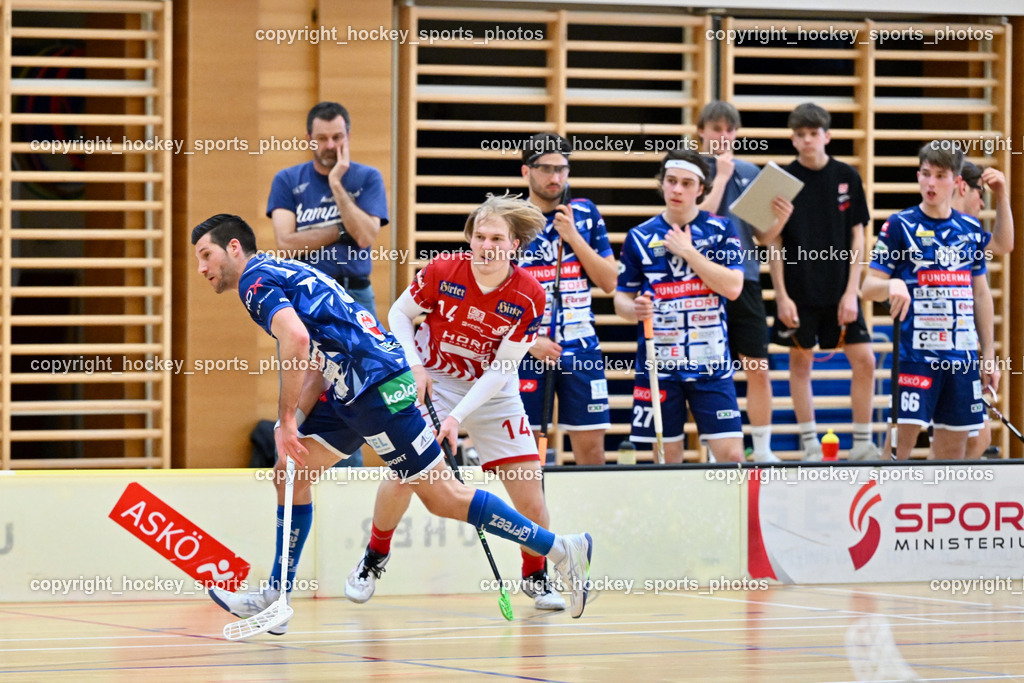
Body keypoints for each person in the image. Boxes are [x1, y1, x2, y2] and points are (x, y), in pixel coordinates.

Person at [192, 212, 594, 630]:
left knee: (444, 498)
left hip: (376, 390)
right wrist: (293, 420)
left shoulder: (253, 283)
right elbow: (317, 356)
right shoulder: (283, 269)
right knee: (290, 470)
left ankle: (562, 549)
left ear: (234, 248)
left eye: (207, 255)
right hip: (349, 387)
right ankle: (277, 595)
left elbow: (296, 340)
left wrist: (285, 419)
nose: (203, 268)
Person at [344, 193, 569, 612]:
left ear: (513, 245)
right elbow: (396, 314)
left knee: (531, 495)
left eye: (497, 238)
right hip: (437, 381)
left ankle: (535, 576)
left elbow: (502, 370)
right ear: (470, 240)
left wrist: (457, 419)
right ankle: (374, 557)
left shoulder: (529, 295)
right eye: (480, 236)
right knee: (402, 475)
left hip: (493, 393)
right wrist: (415, 366)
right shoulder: (442, 271)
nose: (487, 246)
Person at [862, 142, 999, 460]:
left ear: (956, 182)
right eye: (925, 174)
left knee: (951, 456)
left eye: (940, 175)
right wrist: (892, 284)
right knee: (896, 453)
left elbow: (980, 293)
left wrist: (989, 355)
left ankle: (936, 510)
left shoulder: (970, 229)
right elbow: (868, 287)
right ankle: (884, 508)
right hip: (915, 358)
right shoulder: (899, 226)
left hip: (961, 360)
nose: (931, 183)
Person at [614, 149, 745, 463]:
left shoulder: (720, 230)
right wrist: (634, 310)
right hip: (659, 368)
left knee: (732, 456)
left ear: (701, 189)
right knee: (665, 459)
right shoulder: (640, 237)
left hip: (710, 364)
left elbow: (733, 287)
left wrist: (689, 252)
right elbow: (621, 298)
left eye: (687, 183)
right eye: (671, 181)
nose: (676, 189)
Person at [768, 102, 879, 461]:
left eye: (813, 134)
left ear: (826, 136)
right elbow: (771, 243)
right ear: (793, 139)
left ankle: (862, 444)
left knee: (865, 361)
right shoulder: (779, 181)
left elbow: (858, 239)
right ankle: (811, 445)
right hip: (799, 292)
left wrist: (852, 293)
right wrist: (782, 297)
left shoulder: (847, 176)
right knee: (800, 365)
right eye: (799, 135)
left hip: (839, 292)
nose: (806, 141)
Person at [696, 102, 793, 463]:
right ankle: (713, 450)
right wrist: (719, 176)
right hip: (704, 282)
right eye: (716, 128)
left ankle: (764, 449)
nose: (723, 136)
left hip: (746, 278)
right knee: (707, 371)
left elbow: (763, 237)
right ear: (701, 132)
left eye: (729, 130)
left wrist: (779, 220)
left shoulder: (750, 172)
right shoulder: (693, 171)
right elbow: (700, 219)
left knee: (757, 367)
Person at [517, 133, 617, 465]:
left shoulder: (584, 214)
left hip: (581, 347)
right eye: (545, 168)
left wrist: (573, 236)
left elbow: (609, 281)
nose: (555, 177)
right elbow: (491, 298)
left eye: (562, 168)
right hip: (526, 350)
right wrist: (530, 342)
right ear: (525, 172)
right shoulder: (509, 218)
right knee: (526, 454)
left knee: (592, 452)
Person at [266, 101, 387, 314]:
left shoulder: (368, 177)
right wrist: (341, 231)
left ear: (348, 136)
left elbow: (365, 236)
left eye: (337, 137)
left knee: (364, 348)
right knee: (297, 348)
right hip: (303, 291)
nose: (330, 145)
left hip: (355, 292)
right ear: (309, 140)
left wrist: (336, 184)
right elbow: (286, 245)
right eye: (322, 139)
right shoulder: (287, 180)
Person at [939, 160, 1012, 458]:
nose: (983, 202)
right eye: (980, 193)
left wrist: (1003, 195)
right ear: (961, 186)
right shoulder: (924, 226)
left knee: (978, 437)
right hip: (929, 354)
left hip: (964, 352)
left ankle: (950, 500)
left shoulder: (969, 232)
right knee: (947, 445)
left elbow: (1004, 245)